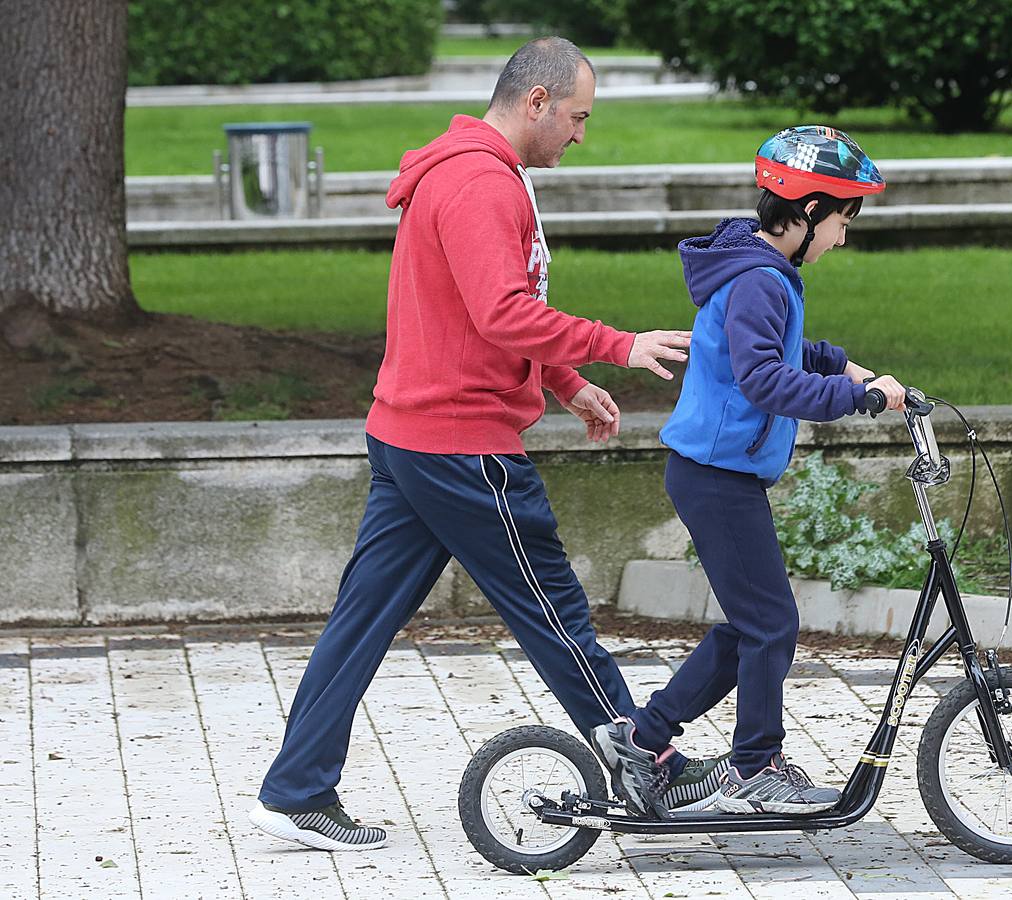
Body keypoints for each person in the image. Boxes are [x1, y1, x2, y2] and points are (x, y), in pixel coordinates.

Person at [249, 37, 728, 852]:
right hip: (461, 445)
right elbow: (502, 311)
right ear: (534, 102)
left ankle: (296, 788)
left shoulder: (474, 171)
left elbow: (481, 313)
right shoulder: (478, 183)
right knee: (554, 611)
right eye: (575, 116)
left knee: (360, 621)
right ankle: (649, 764)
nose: (580, 134)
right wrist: (614, 344)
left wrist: (566, 383)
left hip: (411, 434)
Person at [592, 126, 908, 817]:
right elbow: (765, 378)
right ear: (807, 211)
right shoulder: (761, 279)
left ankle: (642, 741)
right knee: (770, 624)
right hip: (714, 476)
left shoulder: (758, 270)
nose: (842, 238)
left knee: (750, 624)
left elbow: (779, 346)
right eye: (842, 221)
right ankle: (754, 766)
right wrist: (857, 397)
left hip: (717, 473)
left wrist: (840, 363)